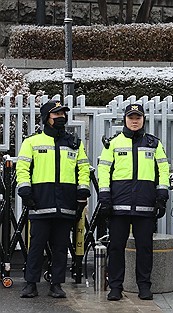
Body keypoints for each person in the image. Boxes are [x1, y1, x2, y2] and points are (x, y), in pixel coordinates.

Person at [16, 99, 91, 298]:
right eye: (56, 114)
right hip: (40, 203)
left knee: (60, 248)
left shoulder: (74, 143)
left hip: (65, 204)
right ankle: (30, 283)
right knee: (36, 247)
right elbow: (22, 169)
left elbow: (83, 168)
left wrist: (82, 194)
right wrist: (25, 191)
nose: (61, 118)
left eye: (62, 114)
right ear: (46, 118)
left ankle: (56, 284)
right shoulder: (31, 142)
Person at [97, 102, 170, 301]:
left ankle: (144, 286)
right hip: (118, 206)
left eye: (138, 117)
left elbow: (164, 171)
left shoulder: (154, 144)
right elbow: (103, 171)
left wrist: (162, 197)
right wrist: (104, 198)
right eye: (131, 117)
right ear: (125, 120)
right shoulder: (113, 143)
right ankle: (115, 287)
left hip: (145, 205)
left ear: (143, 119)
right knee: (116, 247)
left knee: (145, 248)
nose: (134, 121)